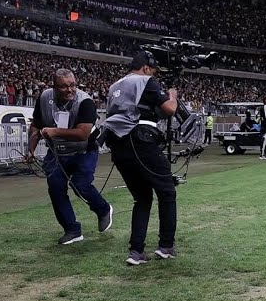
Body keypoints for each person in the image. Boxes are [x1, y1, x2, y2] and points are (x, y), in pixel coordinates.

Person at [100, 50, 179, 265]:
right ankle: (166, 246)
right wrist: (172, 94)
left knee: (142, 198)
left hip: (118, 145)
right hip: (140, 140)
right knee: (167, 191)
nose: (153, 74)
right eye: (153, 70)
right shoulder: (144, 80)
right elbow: (170, 109)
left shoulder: (115, 86)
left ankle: (136, 252)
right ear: (146, 68)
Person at [25, 69, 113, 245]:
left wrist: (54, 131)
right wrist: (31, 149)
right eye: (64, 86)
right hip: (57, 152)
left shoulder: (85, 101)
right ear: (54, 87)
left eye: (72, 85)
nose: (69, 89)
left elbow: (83, 133)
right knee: (56, 188)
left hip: (84, 150)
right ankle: (72, 230)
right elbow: (36, 124)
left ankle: (103, 209)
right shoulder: (44, 98)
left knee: (80, 184)